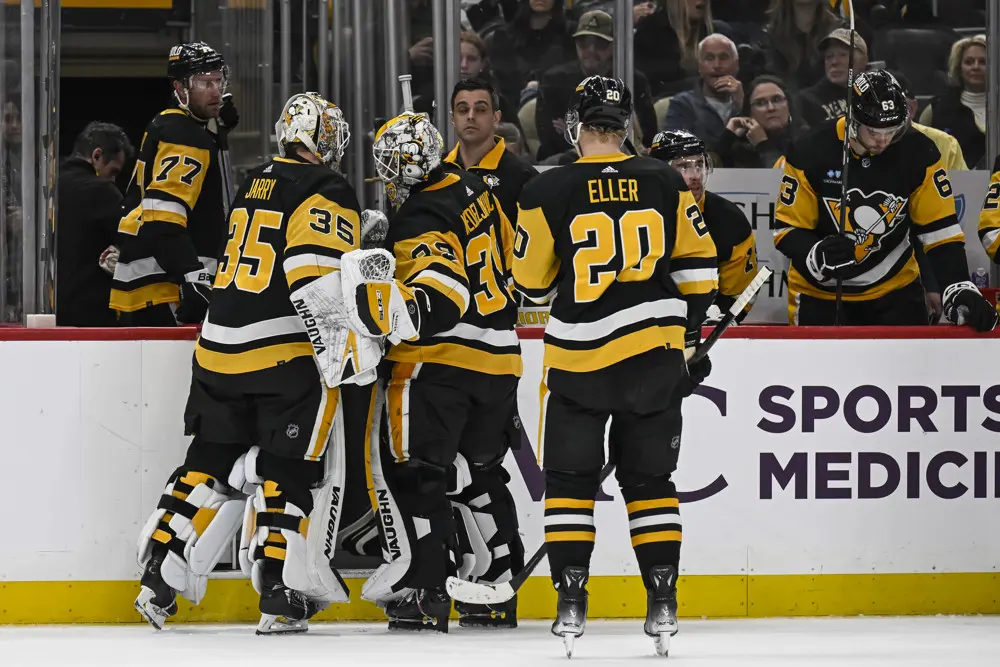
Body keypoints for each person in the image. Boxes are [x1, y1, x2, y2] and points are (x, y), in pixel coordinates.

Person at [134, 92, 364, 634]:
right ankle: (277, 592)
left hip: (217, 347)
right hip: (280, 354)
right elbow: (314, 278)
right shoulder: (326, 186)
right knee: (288, 470)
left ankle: (158, 574)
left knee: (208, 460)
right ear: (322, 139)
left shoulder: (253, 179)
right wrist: (348, 345)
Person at [511, 75, 718, 657]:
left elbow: (528, 283)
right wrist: (692, 339)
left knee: (570, 487)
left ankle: (571, 601)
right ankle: (663, 601)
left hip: (580, 360)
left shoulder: (547, 188)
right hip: (653, 358)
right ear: (625, 126)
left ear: (578, 128)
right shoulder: (664, 178)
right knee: (651, 485)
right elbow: (699, 267)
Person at [358, 111, 524, 632]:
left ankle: (427, 589)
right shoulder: (475, 187)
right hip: (499, 354)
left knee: (418, 476)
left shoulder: (417, 217)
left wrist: (381, 282)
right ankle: (499, 587)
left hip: (438, 364)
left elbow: (442, 291)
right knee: (481, 473)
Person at [773, 69, 996, 331]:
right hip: (820, 296)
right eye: (873, 131)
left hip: (895, 291)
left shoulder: (920, 151)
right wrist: (815, 253)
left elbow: (940, 231)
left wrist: (956, 284)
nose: (882, 140)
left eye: (892, 130)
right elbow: (787, 229)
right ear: (853, 120)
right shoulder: (809, 149)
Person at [109, 42, 238, 326]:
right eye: (204, 82)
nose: (215, 90)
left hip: (153, 281)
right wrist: (193, 276)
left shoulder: (173, 125)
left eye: (219, 80)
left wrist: (219, 133)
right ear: (180, 89)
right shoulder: (184, 135)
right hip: (167, 286)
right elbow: (164, 219)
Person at [650, 129, 760, 321]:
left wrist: (723, 318)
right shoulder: (638, 214)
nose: (695, 175)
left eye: (699, 164)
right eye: (683, 167)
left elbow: (740, 291)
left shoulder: (729, 219)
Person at [534, 9, 657, 160]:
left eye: (600, 44)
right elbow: (549, 137)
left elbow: (648, 133)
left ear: (614, 46)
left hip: (621, 160)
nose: (591, 50)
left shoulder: (633, 80)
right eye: (584, 43)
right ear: (575, 44)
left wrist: (571, 130)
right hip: (565, 162)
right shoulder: (554, 79)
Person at [56, 122, 133, 327]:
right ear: (97, 156)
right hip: (91, 318)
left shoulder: (46, 187)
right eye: (113, 171)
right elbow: (134, 243)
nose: (114, 180)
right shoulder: (103, 192)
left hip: (46, 314)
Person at [446, 78, 538, 230]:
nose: (470, 116)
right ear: (452, 119)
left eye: (480, 110)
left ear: (496, 118)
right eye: (463, 110)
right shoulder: (437, 171)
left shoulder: (523, 176)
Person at [663, 34, 744, 153]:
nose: (717, 65)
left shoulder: (753, 100)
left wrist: (741, 105)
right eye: (710, 58)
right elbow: (674, 152)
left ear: (736, 65)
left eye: (724, 57)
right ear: (700, 67)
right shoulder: (682, 105)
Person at [918, 35, 987, 169]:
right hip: (958, 185)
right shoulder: (937, 108)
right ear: (959, 67)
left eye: (983, 62)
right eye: (969, 62)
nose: (976, 67)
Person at [717, 75, 799, 168]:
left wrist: (763, 146)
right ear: (750, 112)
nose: (771, 108)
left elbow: (788, 179)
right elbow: (704, 175)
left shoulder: (807, 141)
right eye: (761, 103)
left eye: (777, 99)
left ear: (789, 105)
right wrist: (727, 138)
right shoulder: (741, 149)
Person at [798, 28, 869, 127]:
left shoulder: (877, 90)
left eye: (843, 55)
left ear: (863, 61)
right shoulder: (808, 100)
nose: (834, 62)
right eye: (829, 56)